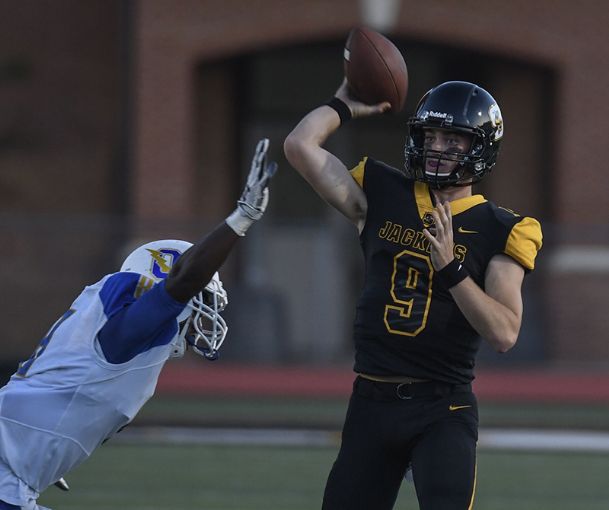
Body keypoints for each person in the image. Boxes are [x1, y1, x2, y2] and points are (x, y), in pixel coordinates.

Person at [284, 79, 542, 509]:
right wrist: (341, 105)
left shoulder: (504, 229)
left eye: (453, 138)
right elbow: (299, 147)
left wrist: (452, 270)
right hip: (370, 400)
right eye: (431, 135)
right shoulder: (383, 192)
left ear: (481, 147)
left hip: (442, 408)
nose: (437, 147)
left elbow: (504, 333)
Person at [0, 139, 277, 510]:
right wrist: (241, 218)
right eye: (202, 300)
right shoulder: (128, 331)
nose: (204, 315)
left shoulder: (108, 322)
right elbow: (180, 284)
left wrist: (41, 448)